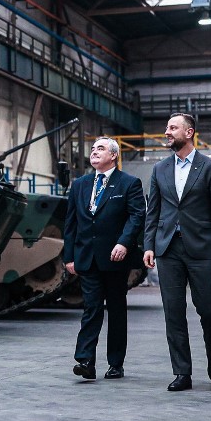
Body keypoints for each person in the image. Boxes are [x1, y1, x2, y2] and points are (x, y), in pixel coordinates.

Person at [143, 113, 211, 392]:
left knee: (208, 309)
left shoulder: (210, 167)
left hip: (201, 248)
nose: (167, 132)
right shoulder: (159, 169)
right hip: (168, 248)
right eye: (167, 128)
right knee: (173, 311)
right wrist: (149, 245)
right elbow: (153, 211)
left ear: (189, 132)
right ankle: (182, 372)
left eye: (173, 128)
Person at [64, 137, 145, 381]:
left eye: (100, 148)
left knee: (117, 310)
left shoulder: (128, 183)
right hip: (87, 257)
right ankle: (85, 360)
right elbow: (71, 223)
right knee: (91, 307)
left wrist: (124, 242)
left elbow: (137, 216)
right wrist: (69, 257)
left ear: (113, 155)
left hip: (115, 258)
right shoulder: (80, 185)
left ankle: (116, 364)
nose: (94, 152)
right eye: (93, 149)